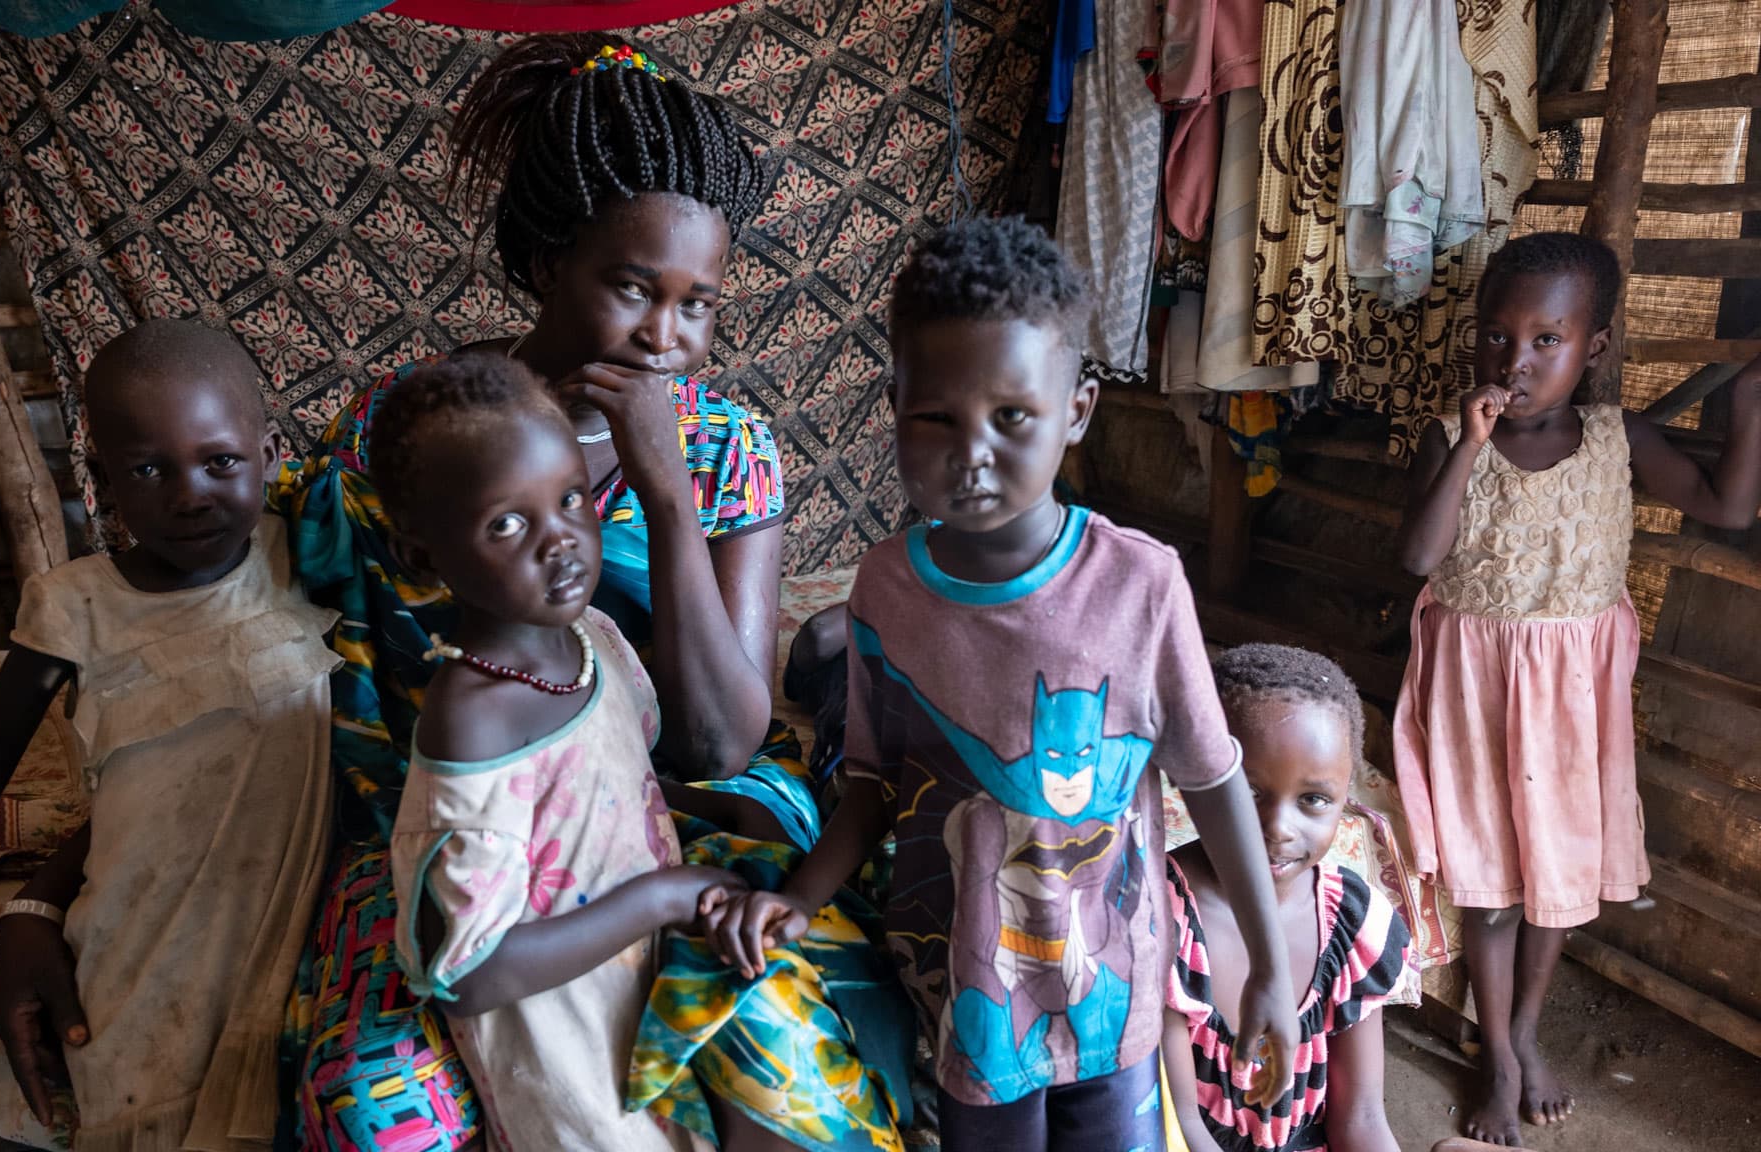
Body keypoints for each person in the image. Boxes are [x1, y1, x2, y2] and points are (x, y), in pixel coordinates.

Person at [265, 36, 906, 1152]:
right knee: (377, 1106)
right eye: (630, 288)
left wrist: (664, 492)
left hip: (676, 822)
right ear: (547, 259)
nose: (667, 336)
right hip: (464, 835)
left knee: (788, 1066)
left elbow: (718, 743)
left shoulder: (718, 451)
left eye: (697, 303)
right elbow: (343, 693)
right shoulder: (408, 435)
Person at [704, 216, 1300, 1152]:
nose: (970, 450)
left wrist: (1268, 960)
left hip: (1112, 998)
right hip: (967, 995)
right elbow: (868, 781)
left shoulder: (1141, 585)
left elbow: (1212, 777)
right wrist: (799, 897)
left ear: (1077, 409)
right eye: (935, 416)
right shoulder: (885, 589)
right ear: (893, 403)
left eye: (1011, 416)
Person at [0, 319, 342, 1151]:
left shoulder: (309, 556)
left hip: (292, 903)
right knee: (145, 1101)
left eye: (220, 461)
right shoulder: (75, 603)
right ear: (105, 479)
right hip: (140, 919)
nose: (190, 494)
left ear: (268, 452)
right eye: (149, 469)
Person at [1395, 231, 1761, 1146]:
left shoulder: (1617, 438)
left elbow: (1726, 506)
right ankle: (1499, 1054)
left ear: (1593, 347)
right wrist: (1472, 445)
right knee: (1488, 879)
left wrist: (1751, 406)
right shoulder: (1447, 437)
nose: (1512, 361)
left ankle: (1525, 1027)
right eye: (1494, 336)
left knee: (1551, 871)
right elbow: (1416, 557)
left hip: (1572, 697)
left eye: (1545, 341)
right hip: (1472, 686)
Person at [372, 352, 748, 1150]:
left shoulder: (590, 641)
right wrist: (665, 896)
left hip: (647, 1008)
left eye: (571, 498)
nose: (562, 541)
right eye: (508, 523)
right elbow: (469, 975)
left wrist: (718, 820)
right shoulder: (473, 723)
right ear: (422, 557)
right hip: (569, 1070)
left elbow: (603, 790)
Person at [1161, 644, 1414, 1152]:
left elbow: (1360, 1117)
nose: (1277, 828)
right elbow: (1181, 1127)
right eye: (1249, 792)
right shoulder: (1162, 923)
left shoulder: (1351, 924)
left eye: (1314, 800)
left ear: (1347, 798)